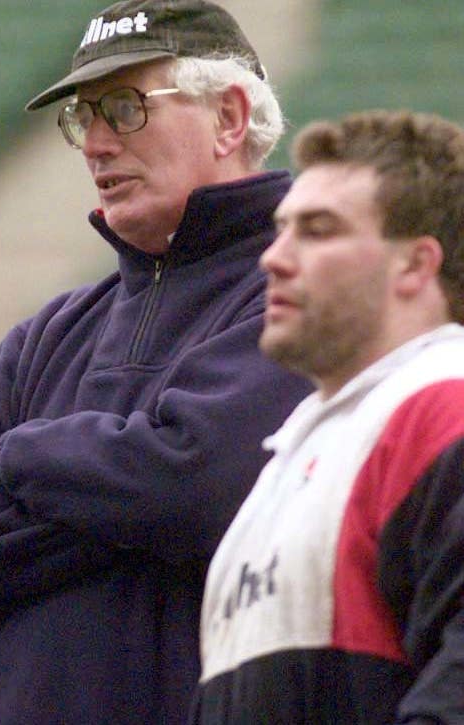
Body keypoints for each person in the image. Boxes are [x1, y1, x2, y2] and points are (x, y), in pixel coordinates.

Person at [0, 1, 314, 722]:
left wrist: (22, 458)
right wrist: (128, 500)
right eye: (81, 117)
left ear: (229, 117)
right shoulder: (48, 333)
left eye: (121, 107)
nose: (93, 143)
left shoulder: (296, 298)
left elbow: (195, 481)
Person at [193, 110, 464, 723]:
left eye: (317, 231)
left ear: (416, 265)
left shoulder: (441, 408)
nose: (274, 258)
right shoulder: (296, 451)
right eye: (281, 228)